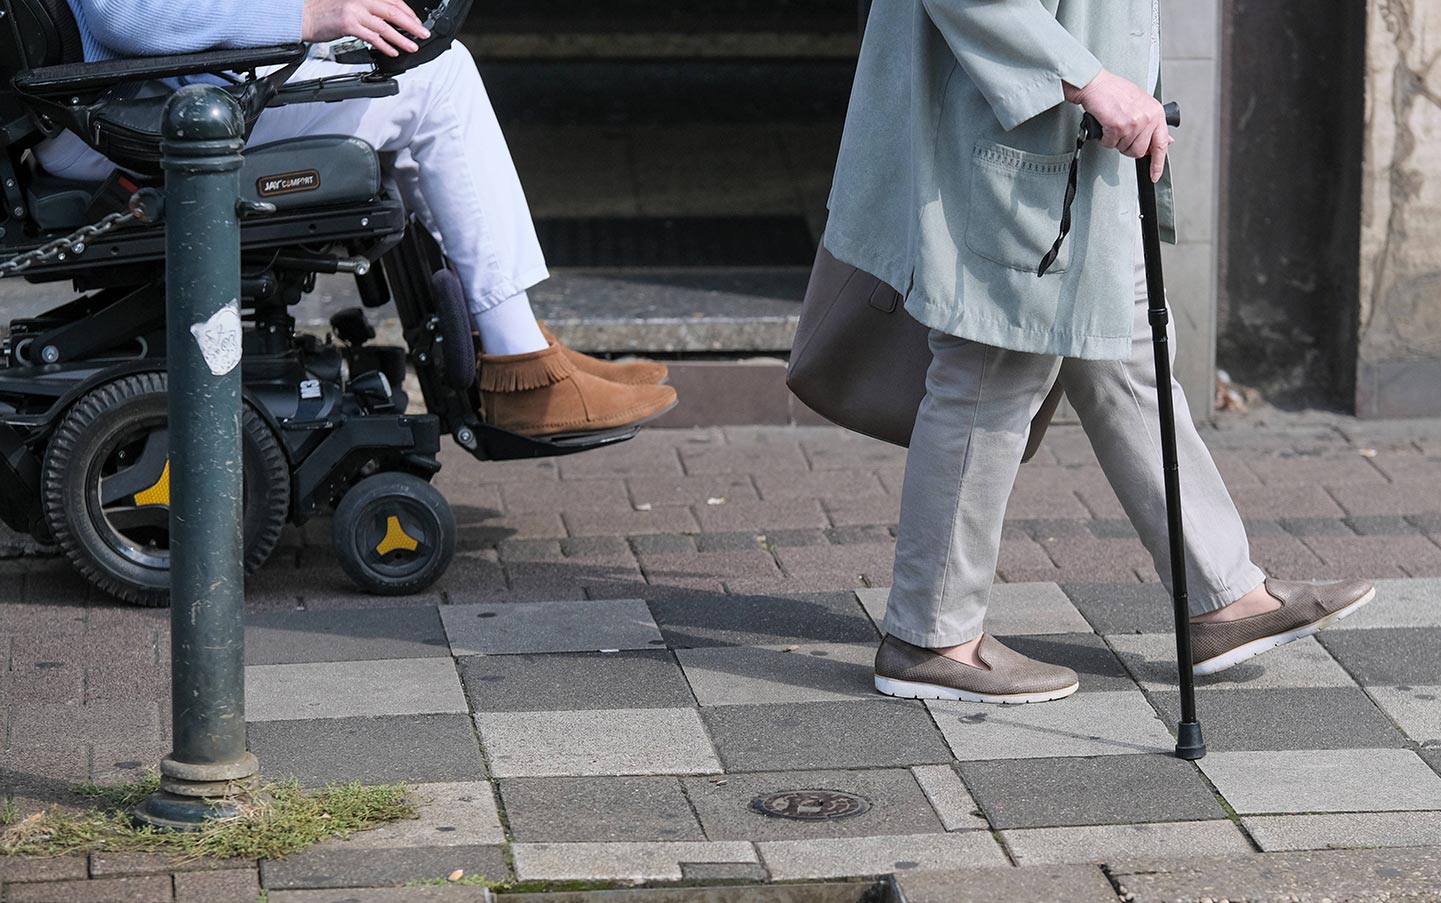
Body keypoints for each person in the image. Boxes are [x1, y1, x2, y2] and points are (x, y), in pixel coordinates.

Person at [824, 1, 1373, 704]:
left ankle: (1223, 599)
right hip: (1020, 140)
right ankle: (929, 636)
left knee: (1130, 352)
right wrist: (1087, 77)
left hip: (1073, 151)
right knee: (994, 365)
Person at [41, 0, 677, 439]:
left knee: (407, 68)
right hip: (129, 120)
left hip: (146, 98)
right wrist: (315, 14)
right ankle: (519, 366)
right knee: (438, 82)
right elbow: (129, 17)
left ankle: (519, 344)